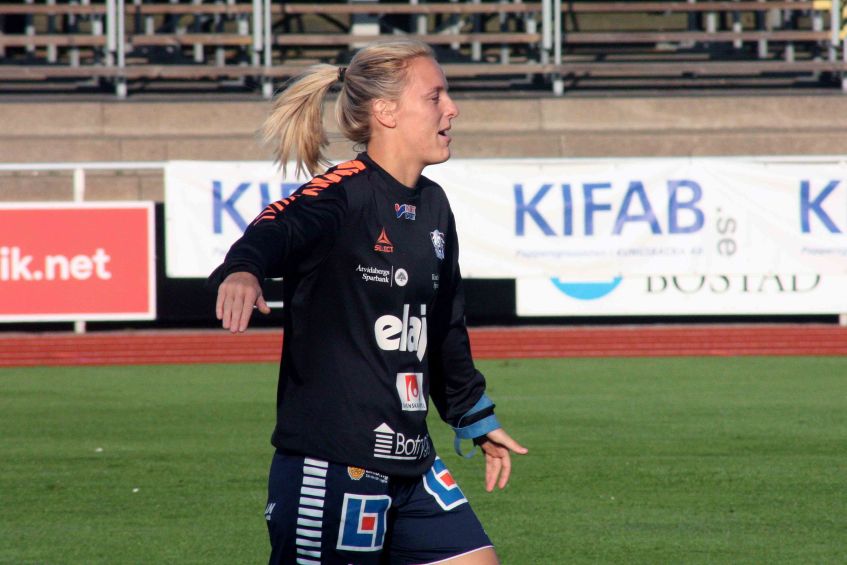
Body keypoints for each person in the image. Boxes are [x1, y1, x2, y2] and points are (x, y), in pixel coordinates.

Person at [209, 38, 527, 565]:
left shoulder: (434, 203)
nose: (452, 108)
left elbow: (443, 327)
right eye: (435, 96)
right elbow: (275, 226)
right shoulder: (342, 193)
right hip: (333, 463)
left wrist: (473, 416)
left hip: (413, 461)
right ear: (386, 112)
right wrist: (244, 269)